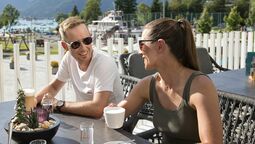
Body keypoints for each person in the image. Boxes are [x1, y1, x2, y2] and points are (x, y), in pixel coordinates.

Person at [117, 18, 223, 143]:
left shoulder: (200, 86)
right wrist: (108, 110)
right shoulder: (148, 84)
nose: (139, 51)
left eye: (142, 44)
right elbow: (118, 112)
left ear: (160, 46)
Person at [35, 16, 123, 118]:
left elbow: (98, 108)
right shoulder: (69, 59)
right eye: (76, 44)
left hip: (110, 125)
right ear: (65, 46)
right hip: (84, 119)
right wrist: (33, 100)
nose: (83, 49)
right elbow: (54, 87)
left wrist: (59, 104)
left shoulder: (104, 62)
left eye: (87, 40)